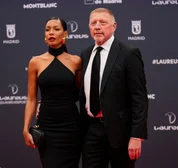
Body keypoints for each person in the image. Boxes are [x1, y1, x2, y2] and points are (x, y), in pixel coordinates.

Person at [79, 8, 148, 168]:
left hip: (121, 133)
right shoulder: (85, 54)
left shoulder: (128, 54)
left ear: (114, 26)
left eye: (103, 22)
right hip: (91, 131)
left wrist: (136, 136)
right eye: (93, 23)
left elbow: (139, 97)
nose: (97, 26)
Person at [23, 16, 82, 168]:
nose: (51, 32)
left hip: (71, 126)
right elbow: (31, 99)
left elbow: (81, 94)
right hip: (47, 127)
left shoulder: (76, 61)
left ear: (65, 34)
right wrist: (25, 129)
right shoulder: (35, 62)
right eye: (48, 29)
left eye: (56, 29)